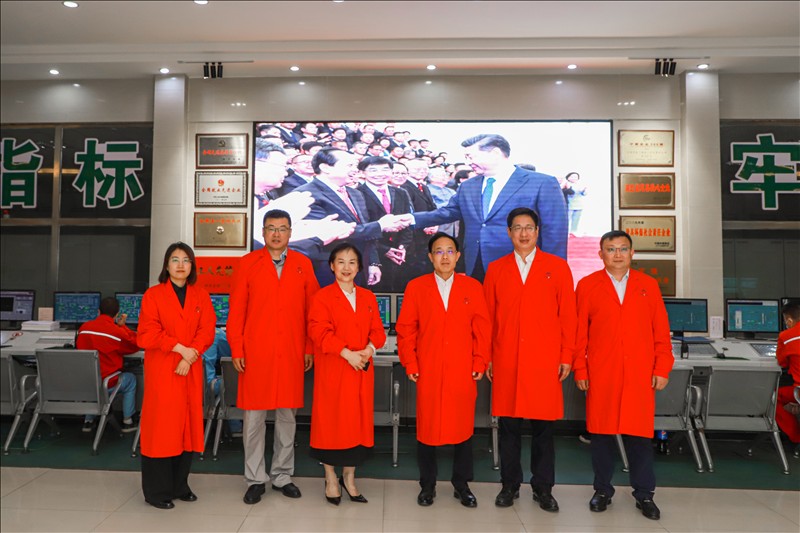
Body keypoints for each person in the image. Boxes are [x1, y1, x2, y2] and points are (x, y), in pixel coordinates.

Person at [573, 230, 673, 521]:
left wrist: (662, 368)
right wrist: (581, 368)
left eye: (622, 249)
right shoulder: (587, 285)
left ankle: (644, 494)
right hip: (602, 372)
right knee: (601, 436)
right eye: (611, 249)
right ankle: (602, 490)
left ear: (632, 253)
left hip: (639, 373)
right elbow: (580, 334)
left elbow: (660, 331)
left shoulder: (648, 285)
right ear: (600, 254)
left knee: (639, 437)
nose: (617, 254)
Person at [483, 207, 576, 512]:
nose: (523, 233)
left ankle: (543, 488)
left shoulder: (557, 267)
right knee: (509, 427)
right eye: (517, 228)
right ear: (508, 233)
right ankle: (509, 485)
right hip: (507, 359)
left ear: (537, 232)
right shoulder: (496, 269)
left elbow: (568, 317)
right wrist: (488, 357)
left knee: (544, 430)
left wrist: (566, 355)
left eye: (529, 228)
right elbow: (488, 319)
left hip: (544, 361)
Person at [226, 209, 320, 505]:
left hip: (291, 351)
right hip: (256, 353)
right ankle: (255, 478)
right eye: (271, 228)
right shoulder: (248, 264)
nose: (276, 234)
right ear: (263, 232)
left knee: (286, 417)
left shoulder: (303, 264)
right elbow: (236, 312)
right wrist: (237, 348)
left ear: (291, 232)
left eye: (282, 228)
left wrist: (309, 347)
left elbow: (312, 313)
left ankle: (281, 475)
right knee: (254, 419)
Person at [396, 232, 491, 508]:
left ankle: (462, 485)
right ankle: (427, 485)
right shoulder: (416, 287)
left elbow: (482, 329)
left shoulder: (472, 287)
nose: (445, 256)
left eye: (450, 251)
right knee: (427, 429)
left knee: (463, 429)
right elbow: (406, 330)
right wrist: (411, 362)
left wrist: (480, 361)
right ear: (430, 257)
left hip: (462, 370)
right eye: (439, 251)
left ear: (458, 256)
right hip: (428, 368)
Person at [408, 134, 568, 281]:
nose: (468, 162)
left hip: (522, 264)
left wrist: (551, 271)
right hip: (477, 263)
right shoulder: (469, 186)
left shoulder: (541, 183)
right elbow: (449, 212)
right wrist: (411, 219)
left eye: (471, 156)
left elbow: (554, 230)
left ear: (495, 153)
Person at [136, 242, 216, 510]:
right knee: (162, 429)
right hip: (164, 370)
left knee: (187, 427)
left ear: (192, 266)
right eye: (175, 260)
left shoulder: (200, 295)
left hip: (189, 370)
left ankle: (180, 485)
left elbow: (207, 330)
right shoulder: (153, 295)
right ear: (166, 265)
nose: (181, 265)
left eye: (186, 260)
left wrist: (190, 355)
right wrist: (180, 349)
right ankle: (156, 492)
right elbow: (146, 334)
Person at [307, 243, 386, 505]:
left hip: (361, 370)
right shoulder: (322, 297)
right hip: (334, 368)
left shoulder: (368, 297)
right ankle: (330, 477)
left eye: (352, 262)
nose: (346, 267)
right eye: (340, 261)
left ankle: (349, 478)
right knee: (331, 424)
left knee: (356, 425)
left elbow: (378, 331)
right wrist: (346, 353)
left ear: (359, 267)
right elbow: (319, 332)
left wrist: (369, 349)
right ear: (332, 266)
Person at [291, 147, 409, 286]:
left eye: (355, 165)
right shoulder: (306, 195)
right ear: (325, 168)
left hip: (360, 266)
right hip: (328, 269)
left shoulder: (355, 193)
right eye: (349, 165)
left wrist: (373, 262)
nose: (355, 170)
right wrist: (380, 226)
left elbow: (364, 230)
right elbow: (331, 233)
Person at [76, 296, 139, 433]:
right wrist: (123, 326)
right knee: (131, 379)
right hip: (108, 383)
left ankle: (88, 421)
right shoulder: (116, 331)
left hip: (87, 382)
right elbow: (135, 345)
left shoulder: (84, 328)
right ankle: (128, 421)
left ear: (98, 311)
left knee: (93, 377)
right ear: (116, 314)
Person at [355, 156, 414, 292]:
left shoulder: (401, 192)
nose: (380, 174)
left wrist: (403, 246)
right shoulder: (357, 194)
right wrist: (384, 250)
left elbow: (407, 222)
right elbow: (362, 228)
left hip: (400, 254)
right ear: (362, 173)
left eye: (385, 169)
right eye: (373, 170)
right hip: (372, 254)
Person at [201, 327, 242, 436]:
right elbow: (231, 355)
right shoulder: (216, 334)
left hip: (184, 389)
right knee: (230, 380)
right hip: (207, 388)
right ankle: (235, 427)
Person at [776, 303, 800, 446]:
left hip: (798, 391)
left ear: (789, 320)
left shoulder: (786, 336)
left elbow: (782, 363)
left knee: (773, 397)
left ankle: (795, 437)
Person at [562, 172, 588, 236]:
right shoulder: (566, 184)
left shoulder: (580, 184)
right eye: (572, 176)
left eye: (576, 177)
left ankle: (574, 231)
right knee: (567, 219)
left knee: (576, 219)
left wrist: (584, 190)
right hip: (569, 204)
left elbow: (584, 194)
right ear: (568, 177)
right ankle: (566, 232)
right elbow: (571, 193)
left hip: (579, 204)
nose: (574, 178)